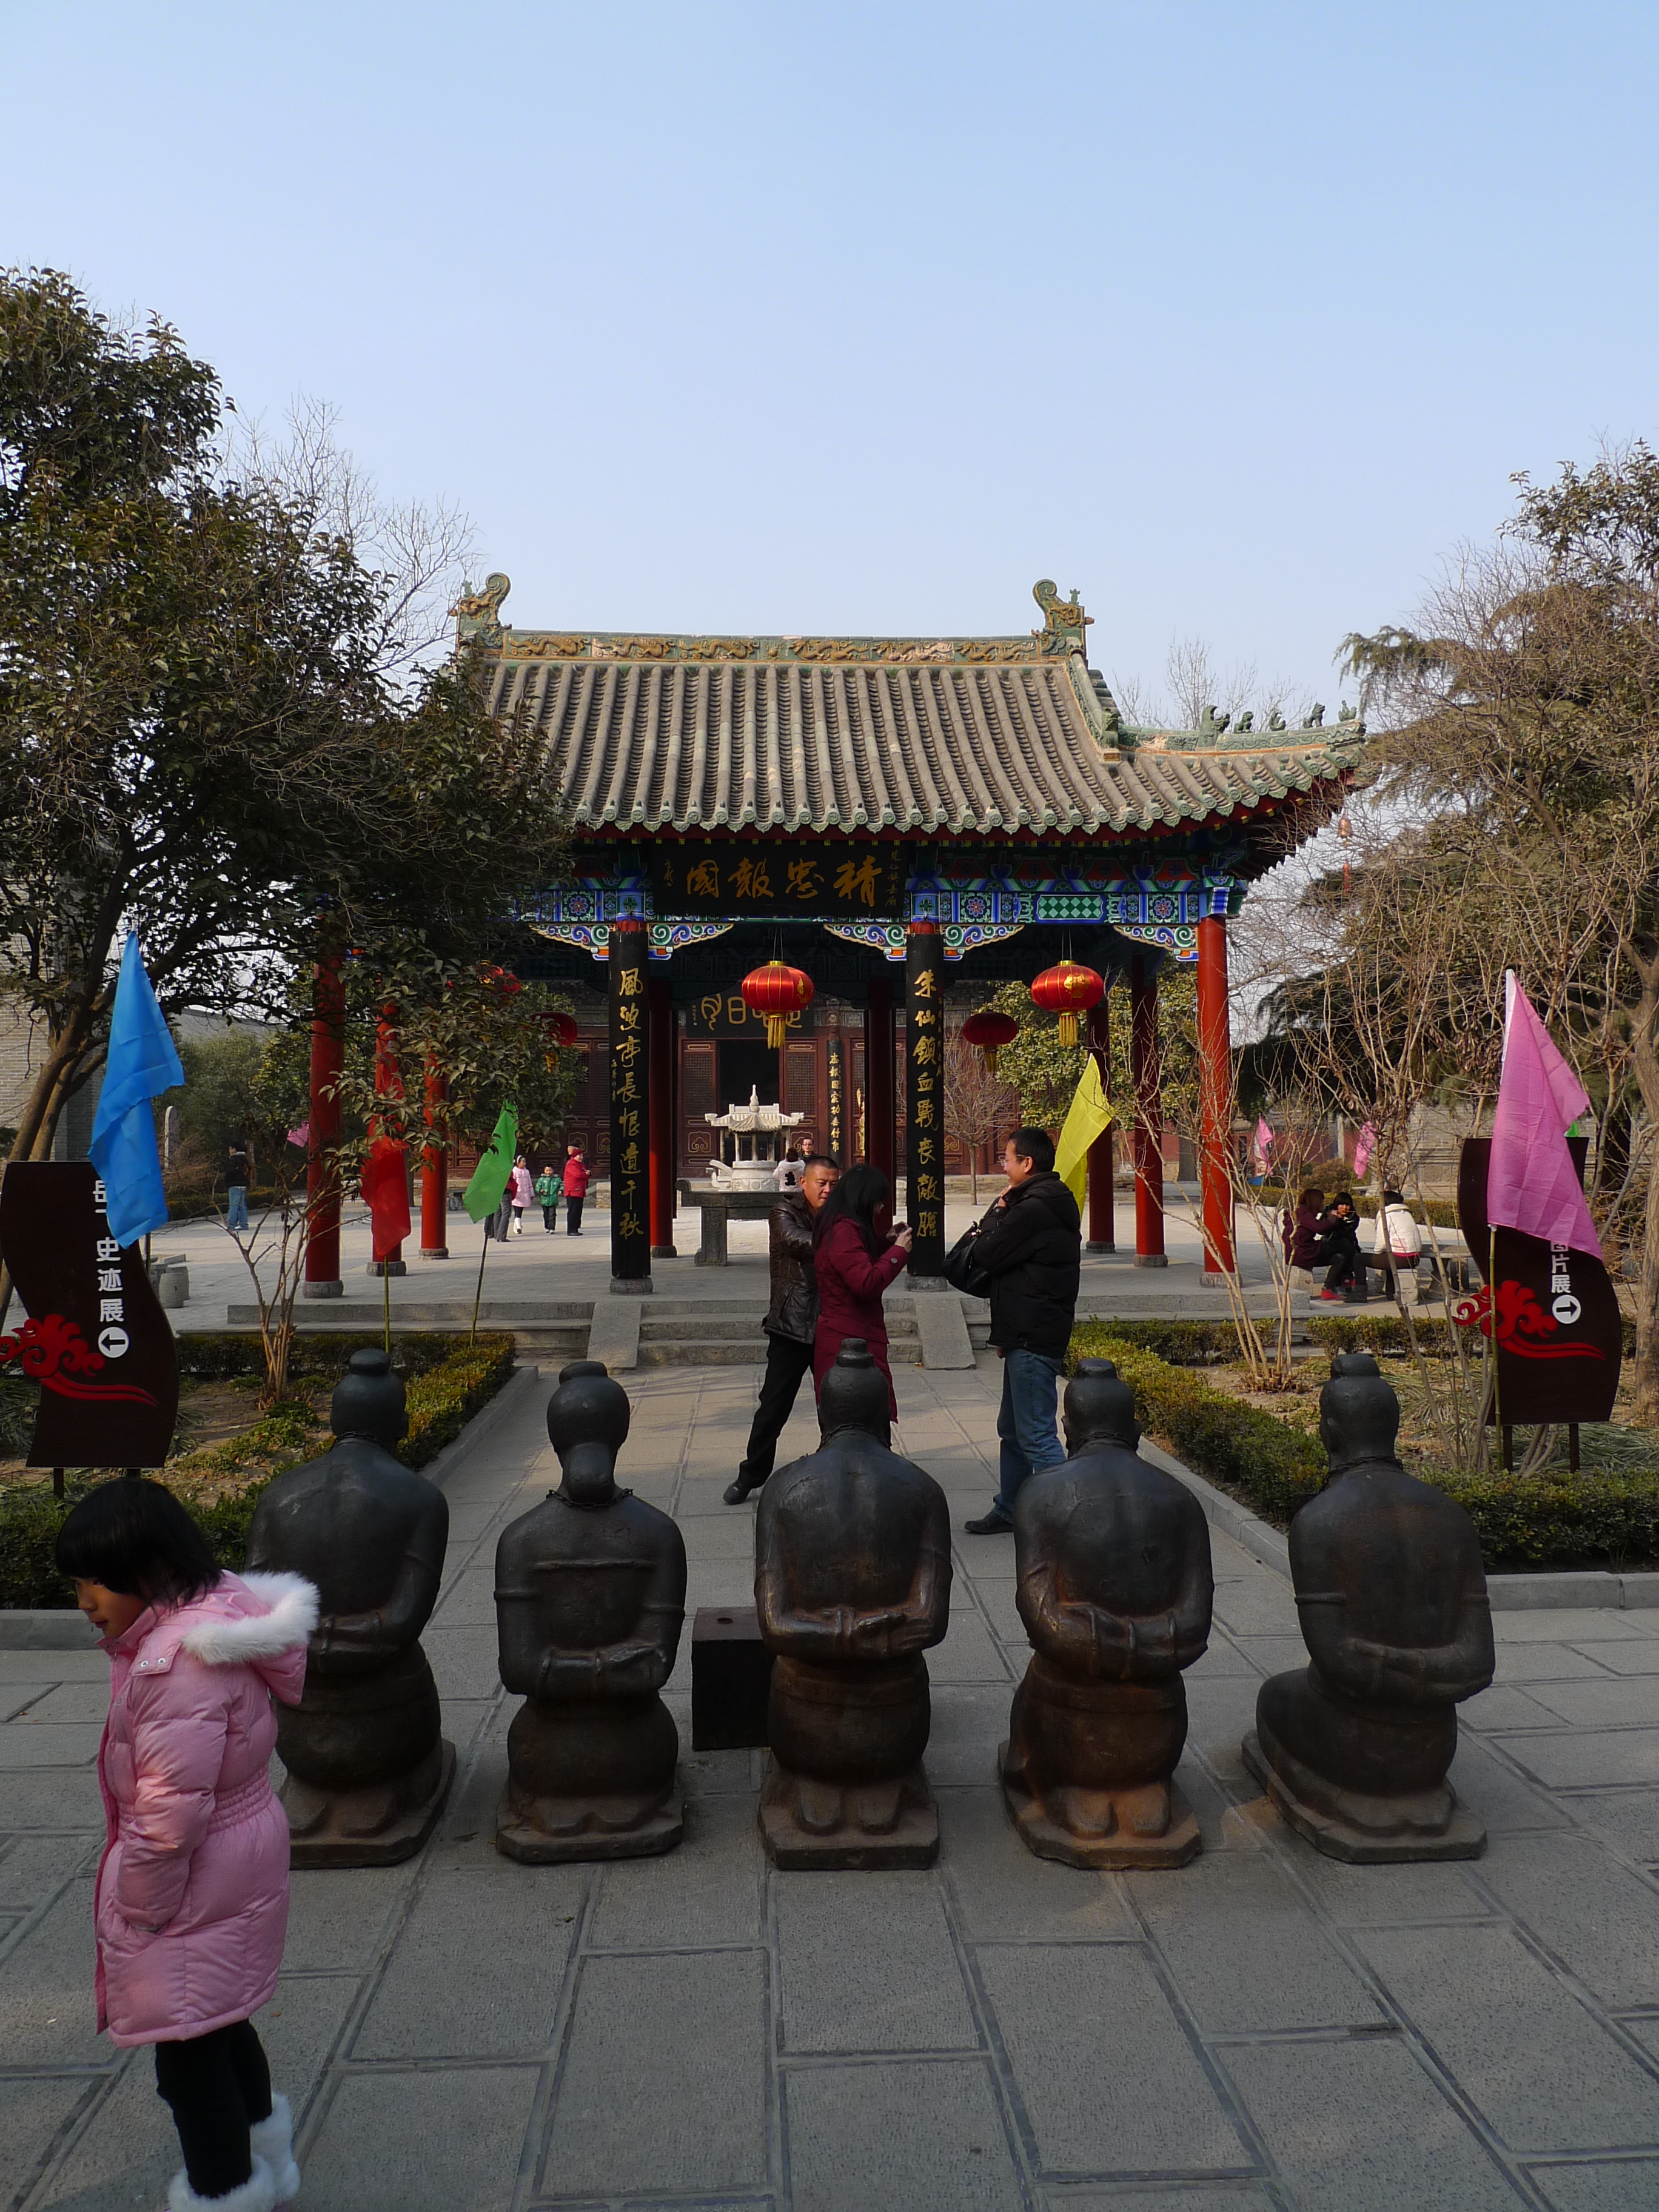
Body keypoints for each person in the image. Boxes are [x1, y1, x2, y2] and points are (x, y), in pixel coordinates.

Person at [55, 1479, 318, 2211]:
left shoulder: (179, 1667)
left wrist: (139, 1909)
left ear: (151, 1572)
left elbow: (169, 1816)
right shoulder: (211, 1614)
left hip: (190, 1884)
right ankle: (265, 2150)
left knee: (188, 2068)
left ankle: (226, 2189)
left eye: (96, 1582)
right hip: (232, 1860)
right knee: (218, 2020)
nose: (84, 1601)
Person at [962, 1128, 1082, 1535]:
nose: (1003, 1165)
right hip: (1026, 1332)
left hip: (1033, 1336)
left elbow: (987, 1253)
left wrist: (996, 1212)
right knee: (1013, 1430)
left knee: (1036, 1435)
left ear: (1026, 1164)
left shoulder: (1032, 1208)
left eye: (1006, 1159)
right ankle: (1011, 1507)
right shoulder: (1046, 1201)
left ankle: (1076, 1523)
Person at [726, 1153, 842, 1505]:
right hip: (791, 1323)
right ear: (803, 1182)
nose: (827, 1190)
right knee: (773, 1407)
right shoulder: (783, 1212)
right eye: (821, 1183)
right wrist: (847, 1237)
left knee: (838, 1404)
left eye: (834, 1185)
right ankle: (750, 1476)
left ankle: (839, 1472)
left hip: (831, 1323)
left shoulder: (842, 1215)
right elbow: (799, 1242)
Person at [811, 1162, 913, 1416]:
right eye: (878, 1202)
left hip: (850, 1333)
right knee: (860, 1422)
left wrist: (884, 1243)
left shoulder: (841, 1226)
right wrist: (898, 1253)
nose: (879, 1209)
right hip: (849, 1339)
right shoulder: (843, 1230)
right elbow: (864, 1284)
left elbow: (853, 1263)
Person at [1372, 1186, 1423, 1298]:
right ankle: (1391, 1292)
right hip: (1415, 1258)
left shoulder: (1386, 1215)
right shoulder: (1406, 1213)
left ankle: (1360, 1294)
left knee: (1359, 1259)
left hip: (1400, 1259)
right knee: (1389, 1257)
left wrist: (1376, 1253)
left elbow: (1381, 1242)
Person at [1316, 1191, 1365, 1301]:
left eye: (1347, 1205)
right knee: (1340, 1251)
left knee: (1342, 1252)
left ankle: (1335, 1285)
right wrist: (1332, 1219)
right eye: (1342, 1204)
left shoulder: (1354, 1217)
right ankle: (1346, 1278)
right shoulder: (1328, 1213)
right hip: (1328, 1243)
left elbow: (1346, 1233)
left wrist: (1338, 1221)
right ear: (1336, 1205)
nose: (1345, 1208)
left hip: (1347, 1245)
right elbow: (1321, 1230)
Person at [1284, 1187, 1324, 1280]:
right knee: (1338, 1250)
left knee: (1336, 1253)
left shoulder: (1298, 1212)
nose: (1323, 1205)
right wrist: (1332, 1219)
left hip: (1295, 1251)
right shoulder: (1304, 1213)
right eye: (1322, 1202)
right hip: (1301, 1253)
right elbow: (1319, 1228)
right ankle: (1332, 1285)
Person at [563, 1143, 589, 1235]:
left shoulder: (580, 1164)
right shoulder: (571, 1164)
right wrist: (586, 1174)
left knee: (578, 1211)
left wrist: (587, 1174)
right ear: (574, 1156)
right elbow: (578, 1175)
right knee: (573, 1211)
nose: (581, 1157)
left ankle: (576, 1228)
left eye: (582, 1155)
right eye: (579, 1155)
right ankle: (571, 1230)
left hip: (580, 1191)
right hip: (573, 1191)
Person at [224, 1144, 250, 1236]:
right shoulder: (245, 1159)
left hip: (234, 1185)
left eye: (230, 1148)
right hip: (244, 1185)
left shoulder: (233, 1159)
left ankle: (231, 1225)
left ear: (234, 1149)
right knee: (242, 1206)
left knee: (234, 1206)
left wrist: (226, 1182)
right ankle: (244, 1224)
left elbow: (229, 1173)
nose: (229, 1150)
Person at [508, 1153, 534, 1236]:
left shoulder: (527, 1172)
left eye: (524, 1162)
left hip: (524, 1194)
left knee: (520, 1211)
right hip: (517, 1194)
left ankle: (516, 1227)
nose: (523, 1163)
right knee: (517, 1211)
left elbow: (530, 1183)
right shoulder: (514, 1171)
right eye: (522, 1162)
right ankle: (519, 1226)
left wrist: (531, 1193)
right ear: (517, 1163)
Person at [535, 1159, 563, 1232]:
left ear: (553, 1171)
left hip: (553, 1200)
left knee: (552, 1215)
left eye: (550, 1170)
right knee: (546, 1215)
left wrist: (561, 1190)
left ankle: (552, 1228)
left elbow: (562, 1185)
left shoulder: (557, 1179)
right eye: (547, 1170)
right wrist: (540, 1190)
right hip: (544, 1200)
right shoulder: (541, 1179)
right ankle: (547, 1227)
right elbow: (537, 1187)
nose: (548, 1172)